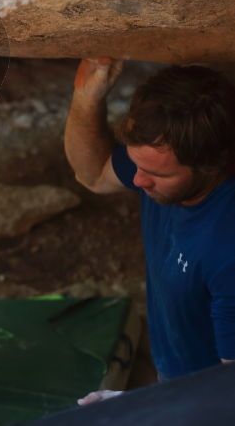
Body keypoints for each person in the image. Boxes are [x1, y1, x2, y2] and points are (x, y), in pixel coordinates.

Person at [64, 58, 235, 404]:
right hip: (177, 380)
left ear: (212, 166)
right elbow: (93, 174)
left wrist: (147, 411)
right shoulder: (162, 155)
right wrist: (86, 98)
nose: (138, 181)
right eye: (135, 164)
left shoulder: (227, 249)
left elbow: (228, 390)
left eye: (159, 175)